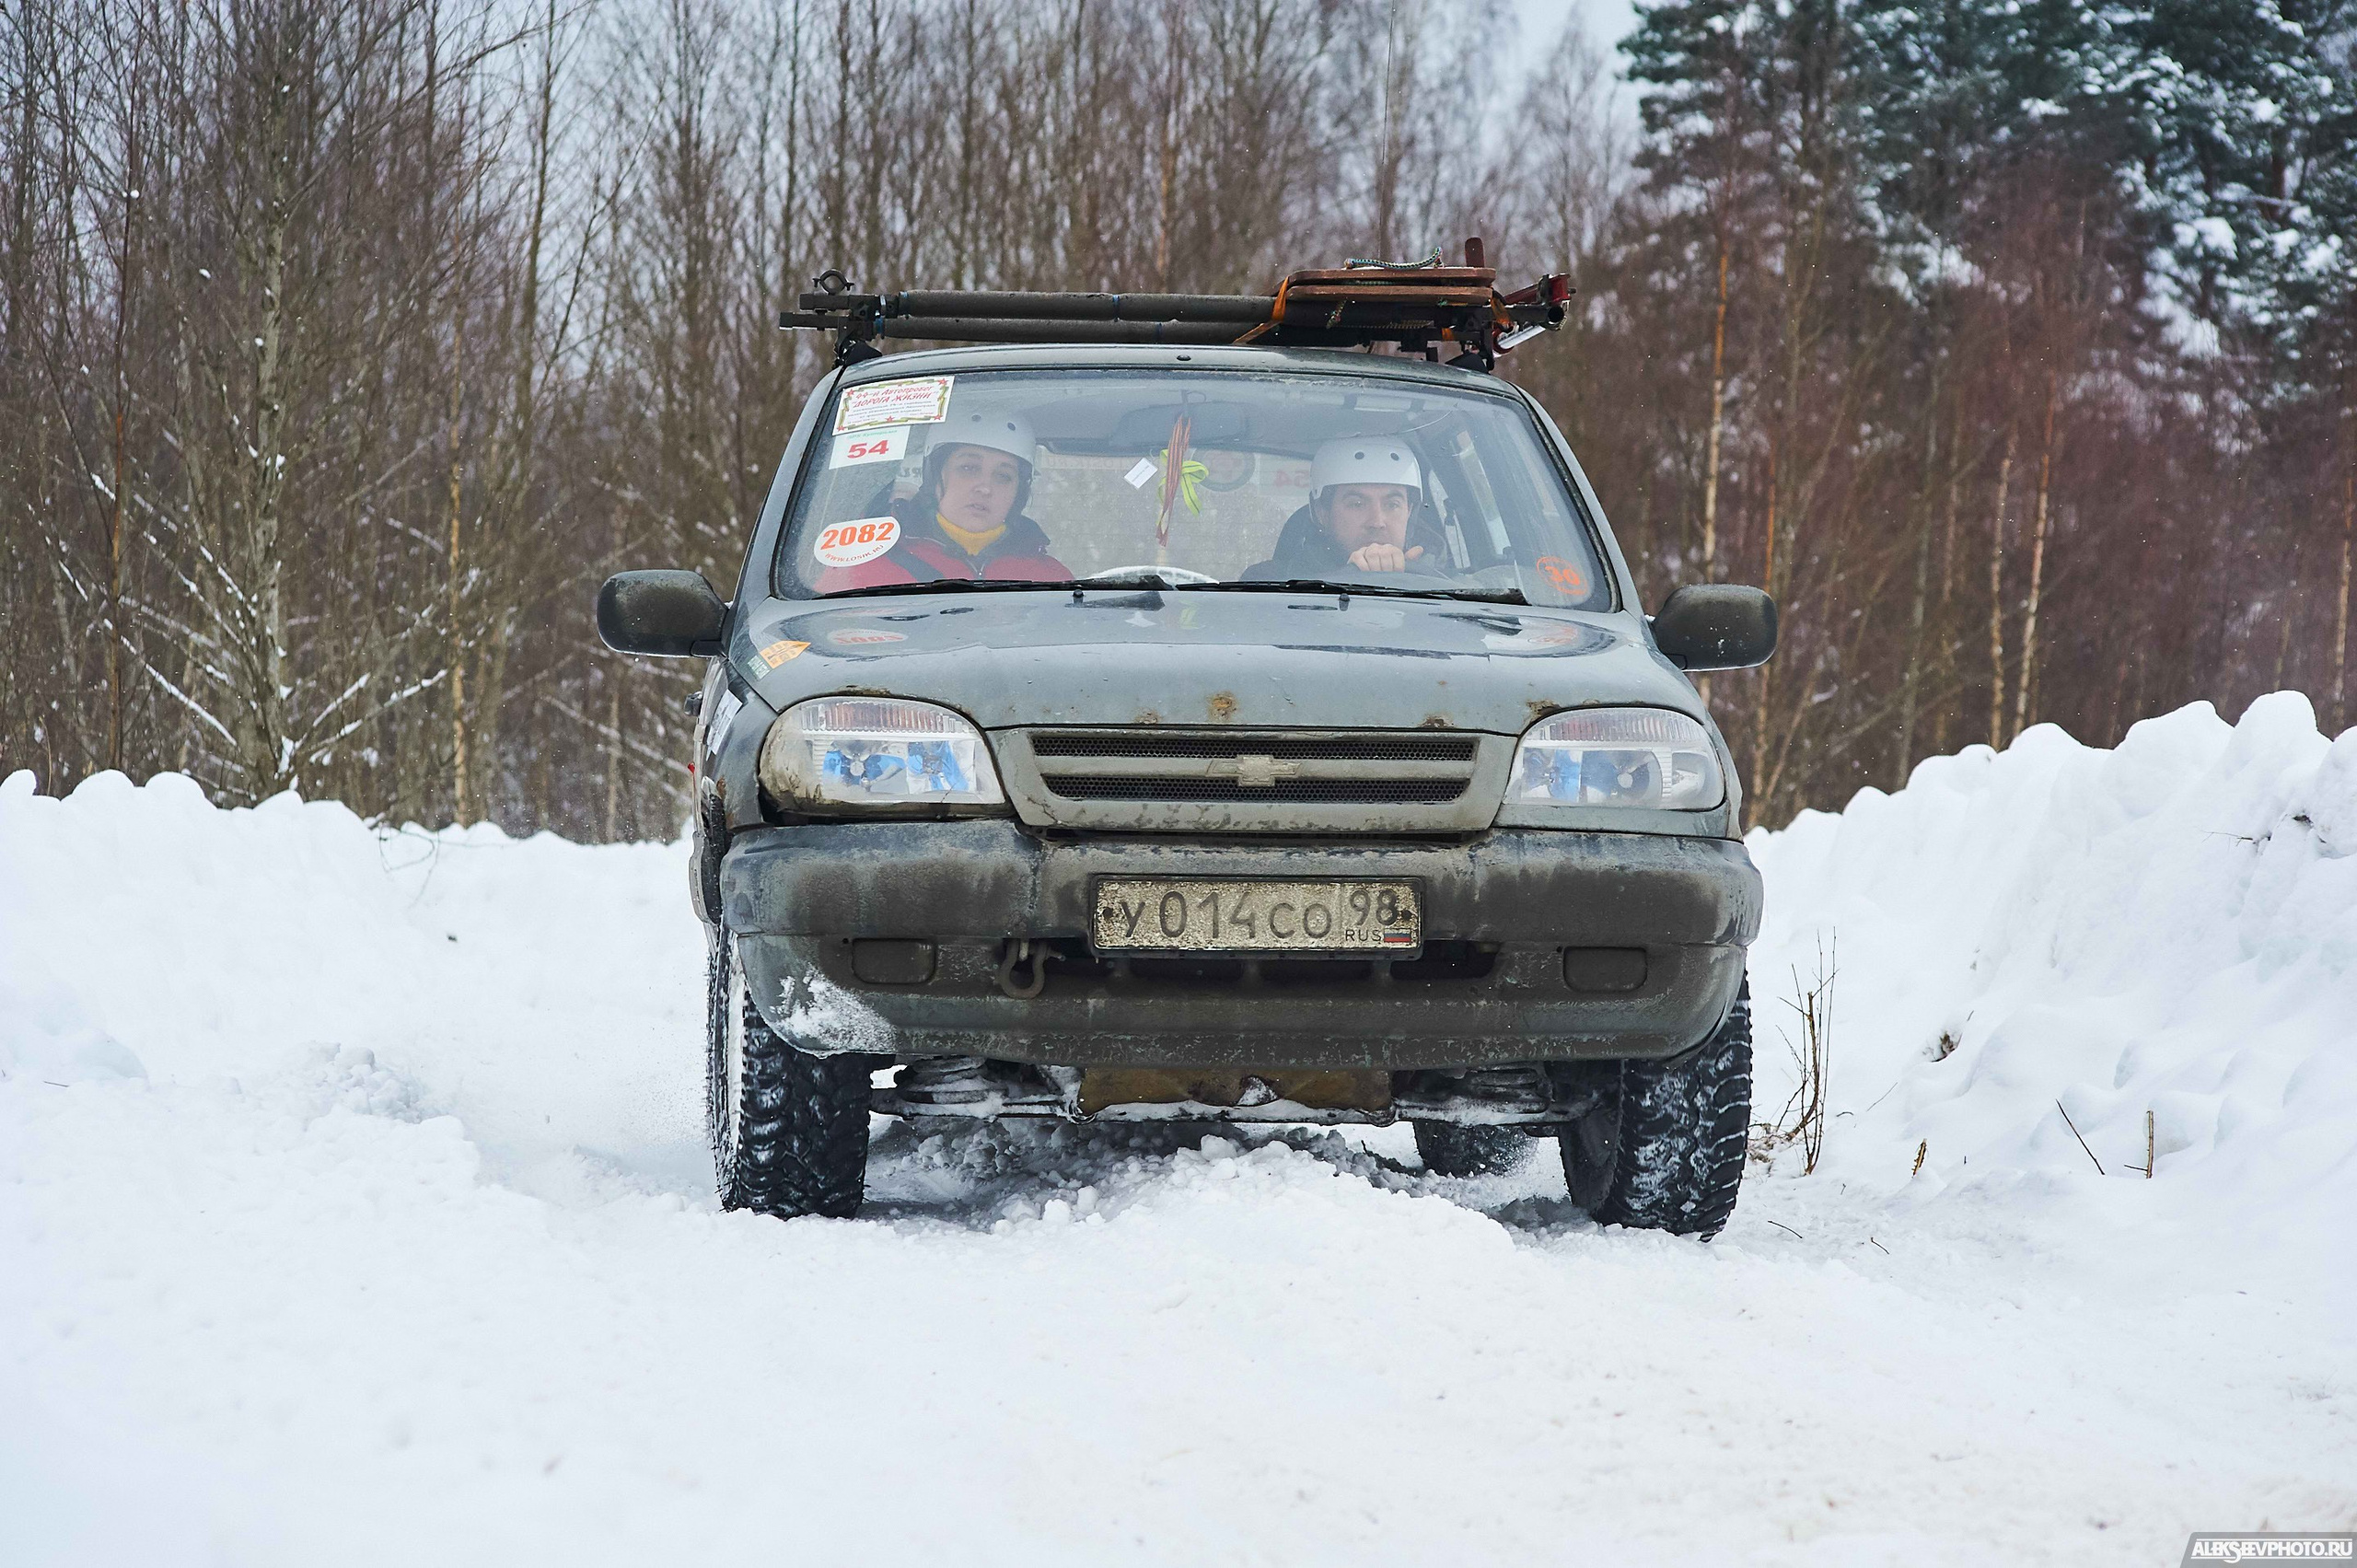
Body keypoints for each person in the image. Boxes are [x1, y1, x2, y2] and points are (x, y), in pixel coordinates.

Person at [813, 406, 1071, 590]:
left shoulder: (1052, 581)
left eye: (1003, 476)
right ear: (935, 476)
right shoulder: (866, 564)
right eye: (968, 468)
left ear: (1019, 493)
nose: (985, 488)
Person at [1245, 436, 1453, 580]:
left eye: (1392, 505)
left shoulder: (1453, 590)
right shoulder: (1269, 586)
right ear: (1322, 513)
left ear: (1409, 512)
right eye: (1357, 504)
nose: (1377, 522)